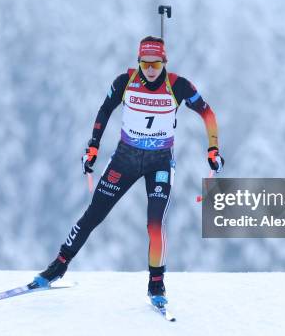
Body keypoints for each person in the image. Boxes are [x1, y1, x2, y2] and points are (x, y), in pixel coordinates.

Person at [29, 36, 224, 305]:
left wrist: (213, 149)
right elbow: (105, 110)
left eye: (156, 63)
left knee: (155, 225)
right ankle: (58, 266)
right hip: (125, 159)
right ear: (139, 62)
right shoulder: (125, 81)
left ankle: (156, 283)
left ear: (164, 62)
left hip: (160, 163)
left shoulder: (178, 85)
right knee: (93, 215)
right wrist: (93, 146)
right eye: (146, 63)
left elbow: (208, 114)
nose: (151, 69)